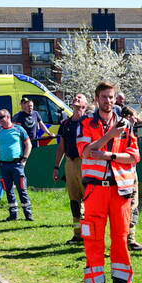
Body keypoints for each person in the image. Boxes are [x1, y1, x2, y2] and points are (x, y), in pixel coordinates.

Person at [76, 81, 142, 283]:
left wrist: (108, 155)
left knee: (121, 238)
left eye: (111, 97)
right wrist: (110, 136)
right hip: (96, 189)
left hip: (120, 190)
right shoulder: (86, 123)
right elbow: (85, 151)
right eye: (104, 97)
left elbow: (134, 156)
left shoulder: (126, 125)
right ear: (97, 99)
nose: (109, 101)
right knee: (94, 238)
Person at [53, 93, 89, 244]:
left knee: (88, 200)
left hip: (85, 163)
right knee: (74, 201)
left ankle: (89, 235)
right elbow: (61, 147)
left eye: (80, 97)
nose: (76, 98)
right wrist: (56, 167)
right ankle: (77, 235)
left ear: (85, 104)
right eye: (75, 97)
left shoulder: (89, 122)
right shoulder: (65, 123)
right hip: (70, 163)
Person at [0, 108, 33, 221]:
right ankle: (13, 215)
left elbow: (28, 144)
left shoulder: (18, 129)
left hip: (17, 165)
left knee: (22, 189)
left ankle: (28, 214)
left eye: (1, 117)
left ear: (8, 117)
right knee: (8, 190)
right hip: (4, 165)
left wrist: (24, 159)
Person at [119, 107, 142, 252]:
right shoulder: (124, 131)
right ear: (128, 117)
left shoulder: (122, 130)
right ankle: (129, 240)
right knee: (132, 206)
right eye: (134, 116)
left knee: (129, 206)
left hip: (127, 172)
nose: (136, 119)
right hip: (127, 174)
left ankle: (126, 239)